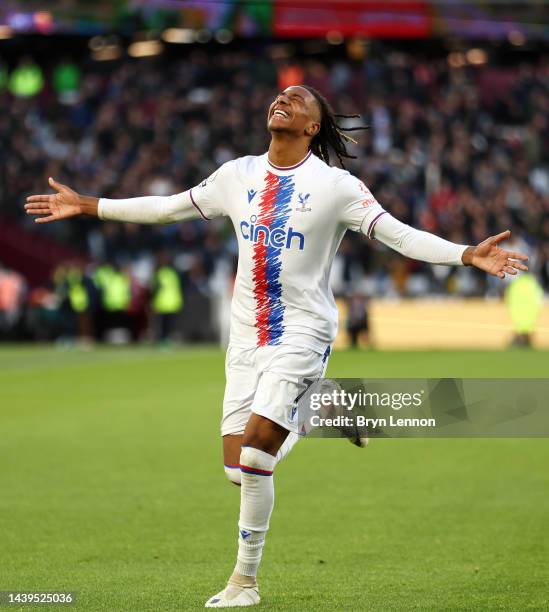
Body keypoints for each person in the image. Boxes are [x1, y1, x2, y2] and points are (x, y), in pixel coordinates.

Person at [25, 85, 529, 608]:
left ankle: (244, 582)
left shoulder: (336, 186)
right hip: (245, 337)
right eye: (279, 95)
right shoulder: (236, 175)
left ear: (314, 126)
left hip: (303, 332)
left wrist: (466, 254)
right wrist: (89, 205)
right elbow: (167, 208)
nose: (282, 100)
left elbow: (398, 235)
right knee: (236, 470)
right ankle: (324, 410)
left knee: (255, 452)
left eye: (298, 99)